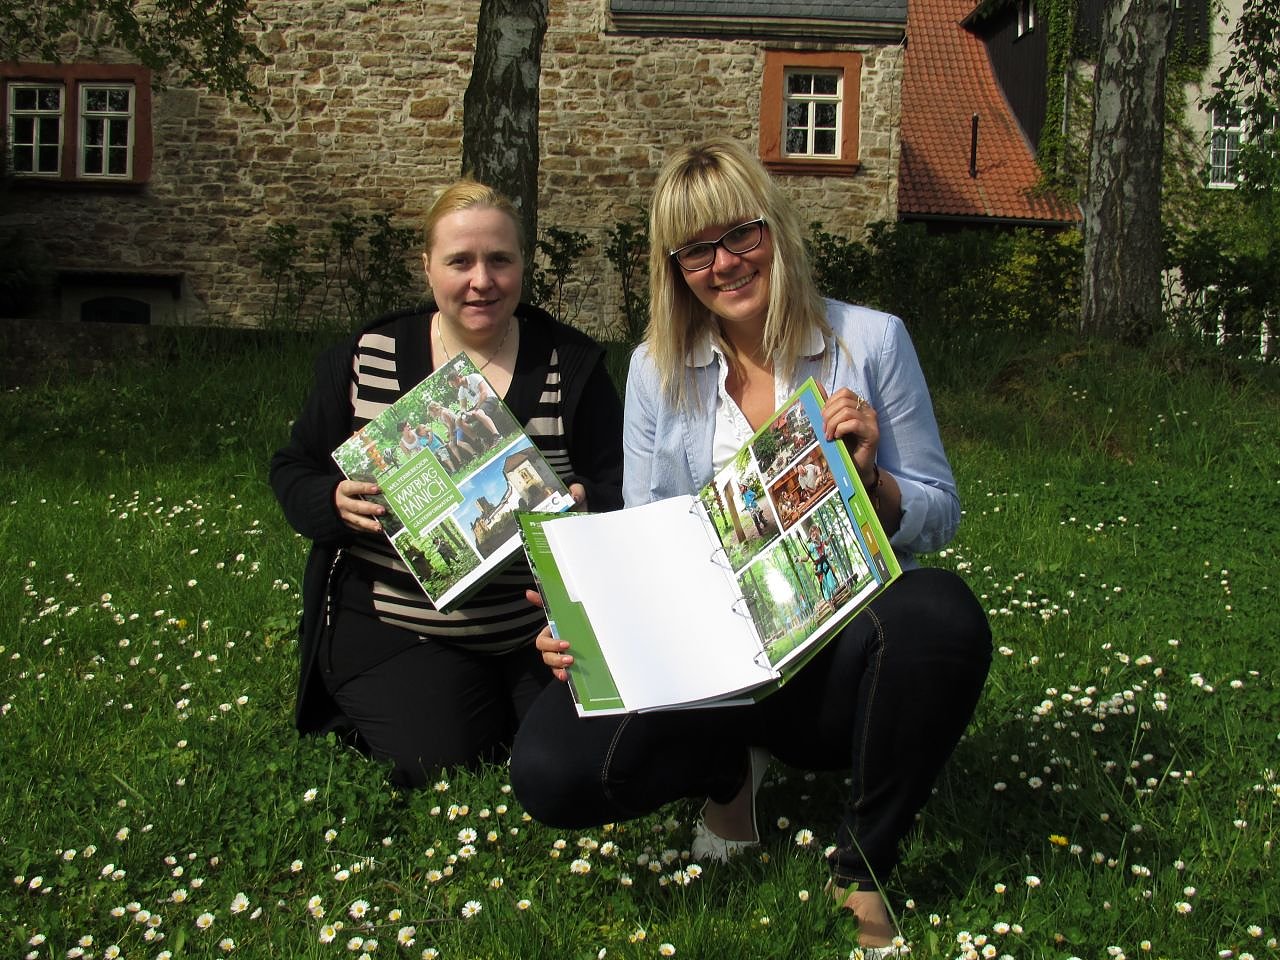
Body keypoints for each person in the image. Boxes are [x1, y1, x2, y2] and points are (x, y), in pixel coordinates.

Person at [511, 139, 991, 956]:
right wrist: (583, 624)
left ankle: (862, 866)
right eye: (696, 249)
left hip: (835, 656)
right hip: (710, 665)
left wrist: (872, 482)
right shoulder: (656, 368)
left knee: (941, 615)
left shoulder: (871, 341)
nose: (725, 263)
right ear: (674, 268)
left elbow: (941, 513)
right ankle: (727, 769)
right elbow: (645, 531)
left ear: (776, 228)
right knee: (552, 771)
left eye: (740, 234)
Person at [270, 179, 624, 788]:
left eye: (500, 260)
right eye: (460, 261)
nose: (481, 280)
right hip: (399, 625)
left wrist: (590, 501)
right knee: (441, 757)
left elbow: (619, 482)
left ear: (522, 265)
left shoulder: (571, 364)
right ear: (427, 267)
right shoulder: (368, 357)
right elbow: (293, 466)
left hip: (537, 630)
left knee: (584, 752)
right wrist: (331, 501)